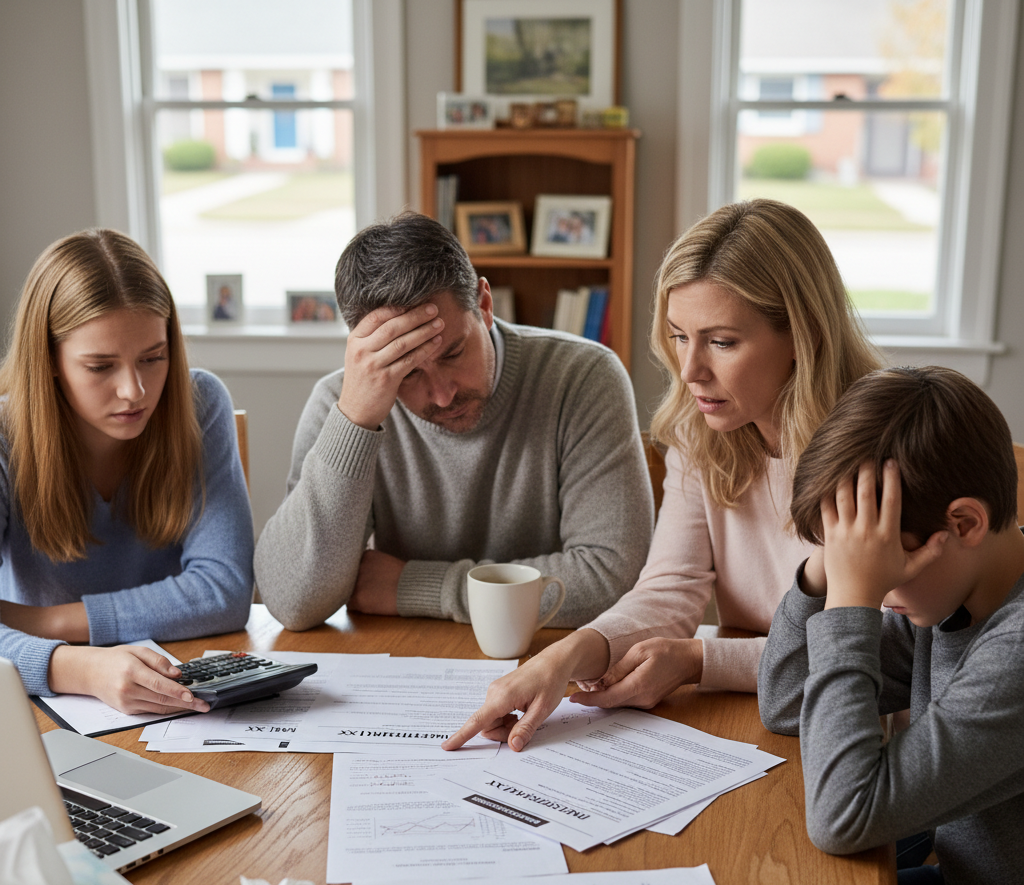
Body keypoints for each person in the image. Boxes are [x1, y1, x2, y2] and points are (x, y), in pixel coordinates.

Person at [444, 198, 883, 753]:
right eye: (679, 336)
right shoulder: (704, 433)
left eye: (722, 342)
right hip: (761, 719)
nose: (691, 371)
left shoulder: (882, 444)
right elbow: (671, 589)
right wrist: (567, 655)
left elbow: (887, 642)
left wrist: (701, 659)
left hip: (857, 736)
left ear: (803, 334)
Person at [758, 366, 1024, 885]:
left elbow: (844, 815)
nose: (880, 589)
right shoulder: (954, 599)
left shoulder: (1016, 650)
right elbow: (788, 699)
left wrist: (852, 600)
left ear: (962, 525)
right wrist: (825, 572)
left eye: (887, 564)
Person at [254, 212, 652, 630]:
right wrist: (355, 421)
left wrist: (412, 586)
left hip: (547, 663)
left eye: (454, 353)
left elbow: (612, 576)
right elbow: (291, 601)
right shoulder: (342, 405)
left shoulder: (583, 377)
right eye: (407, 373)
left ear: (484, 305)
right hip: (404, 662)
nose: (443, 395)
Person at [0, 229, 254, 714]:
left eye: (153, 358)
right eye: (100, 366)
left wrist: (47, 623)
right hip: (39, 706)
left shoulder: (199, 404)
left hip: (182, 690)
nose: (134, 391)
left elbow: (223, 591)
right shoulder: (4, 436)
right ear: (49, 360)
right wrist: (80, 667)